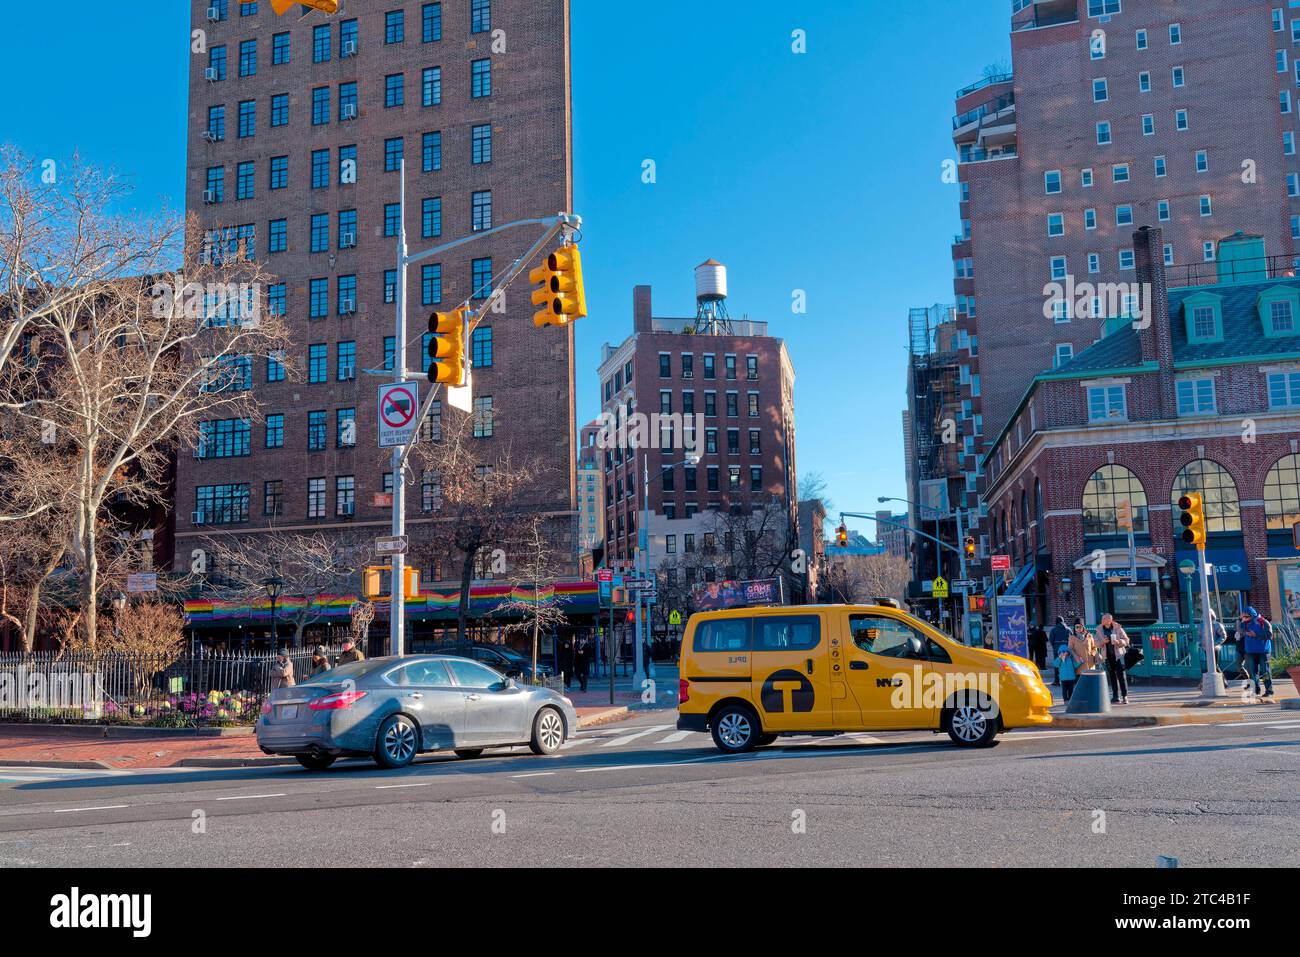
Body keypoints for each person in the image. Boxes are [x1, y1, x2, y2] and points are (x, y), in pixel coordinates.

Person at [1238, 606, 1275, 700]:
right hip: (1250, 651)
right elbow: (1240, 632)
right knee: (1253, 672)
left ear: (1252, 615)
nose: (1245, 618)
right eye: (1244, 616)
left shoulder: (1263, 622)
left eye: (1246, 616)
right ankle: (1255, 691)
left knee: (1265, 671)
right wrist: (1240, 621)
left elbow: (1270, 635)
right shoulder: (1244, 623)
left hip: (1263, 651)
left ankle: (1269, 691)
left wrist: (1256, 635)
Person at [1096, 612, 1131, 704]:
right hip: (1108, 657)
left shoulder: (1118, 628)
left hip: (1119, 656)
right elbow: (1095, 643)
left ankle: (1125, 696)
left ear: (1110, 620)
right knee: (1112, 677)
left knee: (1121, 676)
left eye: (1104, 619)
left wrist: (1118, 642)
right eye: (1102, 619)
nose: (1102, 620)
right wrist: (1102, 642)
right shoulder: (1099, 630)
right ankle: (1115, 697)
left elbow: (1127, 640)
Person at [1048, 616, 1070, 686]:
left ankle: (1057, 681)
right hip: (1067, 649)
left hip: (1057, 650)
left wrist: (1055, 646)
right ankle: (1067, 680)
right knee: (1066, 665)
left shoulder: (1053, 630)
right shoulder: (1068, 629)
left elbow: (1051, 640)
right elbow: (1072, 639)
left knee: (1057, 665)